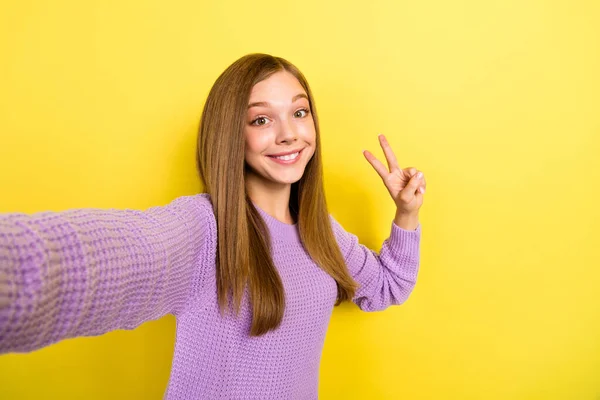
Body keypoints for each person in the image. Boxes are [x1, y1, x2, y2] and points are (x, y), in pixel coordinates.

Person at [0, 53, 426, 399]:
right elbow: (91, 263)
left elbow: (389, 285)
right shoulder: (204, 229)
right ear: (230, 134)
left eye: (299, 112)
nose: (289, 134)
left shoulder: (321, 233)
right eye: (261, 119)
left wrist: (406, 213)